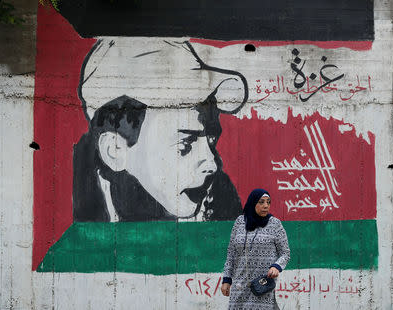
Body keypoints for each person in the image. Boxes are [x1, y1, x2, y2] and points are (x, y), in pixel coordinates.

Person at [72, 38, 248, 222]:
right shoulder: (84, 211)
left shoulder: (221, 202)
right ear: (115, 150)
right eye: (185, 146)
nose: (212, 164)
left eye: (212, 141)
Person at [221, 188, 290, 309]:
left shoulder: (275, 224)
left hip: (262, 286)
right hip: (239, 286)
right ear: (253, 203)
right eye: (261, 202)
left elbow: (285, 253)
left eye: (268, 202)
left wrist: (276, 266)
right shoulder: (240, 222)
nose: (265, 206)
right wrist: (227, 280)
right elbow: (231, 254)